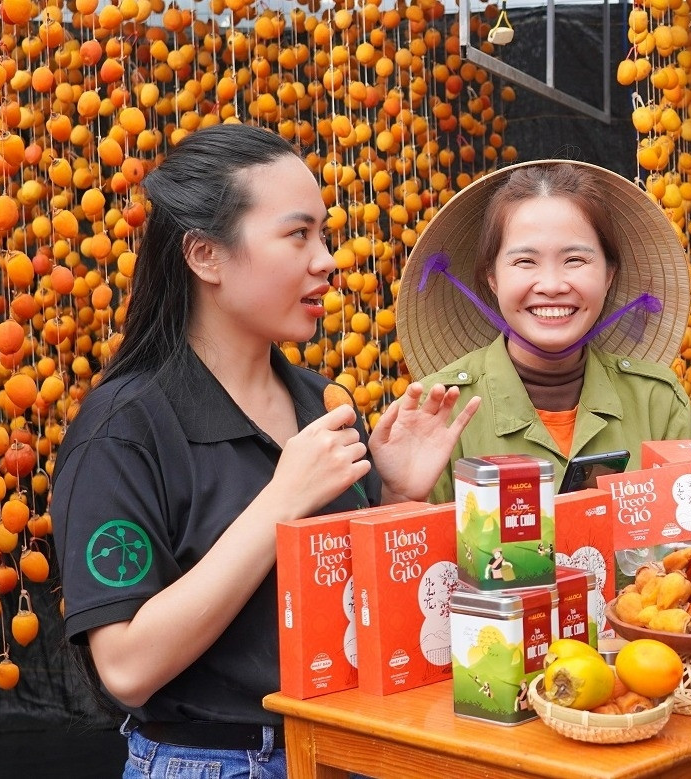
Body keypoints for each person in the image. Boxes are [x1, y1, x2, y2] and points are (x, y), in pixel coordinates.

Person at [51, 123, 478, 778]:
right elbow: (127, 668)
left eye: (324, 234)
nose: (327, 259)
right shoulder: (124, 428)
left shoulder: (319, 403)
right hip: (215, 762)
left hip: (344, 749)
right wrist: (279, 502)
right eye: (297, 234)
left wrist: (396, 498)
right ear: (205, 255)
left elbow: (355, 613)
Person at [395, 159, 691, 503]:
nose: (552, 285)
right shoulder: (438, 411)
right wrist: (398, 494)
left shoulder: (657, 402)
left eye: (575, 260)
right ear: (492, 277)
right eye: (525, 262)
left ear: (609, 275)